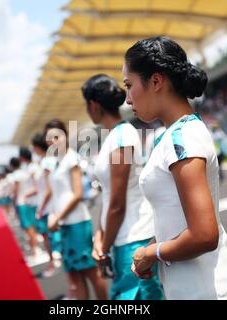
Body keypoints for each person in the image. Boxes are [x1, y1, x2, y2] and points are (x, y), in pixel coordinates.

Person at [123, 36, 227, 300]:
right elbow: (175, 221)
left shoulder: (181, 138)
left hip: (215, 292)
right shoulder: (172, 136)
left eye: (129, 85)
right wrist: (151, 251)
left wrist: (150, 253)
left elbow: (205, 234)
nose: (127, 99)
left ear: (156, 82)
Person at [82, 74, 163, 300]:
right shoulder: (113, 137)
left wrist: (103, 246)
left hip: (134, 237)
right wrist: (100, 237)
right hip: (121, 237)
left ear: (94, 105)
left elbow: (117, 203)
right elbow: (108, 195)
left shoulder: (122, 138)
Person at [45, 119, 108, 300]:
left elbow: (78, 194)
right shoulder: (55, 162)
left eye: (56, 136)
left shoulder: (72, 158)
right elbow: (56, 195)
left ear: (65, 136)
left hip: (77, 222)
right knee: (75, 275)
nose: (52, 141)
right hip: (64, 224)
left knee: (90, 272)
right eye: (49, 138)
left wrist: (58, 218)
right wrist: (53, 216)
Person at [31, 132, 60, 277]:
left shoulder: (47, 162)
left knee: (49, 237)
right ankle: (53, 262)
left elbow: (49, 189)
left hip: (48, 206)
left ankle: (53, 263)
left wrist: (41, 208)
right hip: (45, 205)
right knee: (48, 237)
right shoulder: (43, 162)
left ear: (37, 147)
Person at [10, 154, 39, 259]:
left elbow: (16, 191)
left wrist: (14, 200)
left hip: (22, 203)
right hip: (29, 201)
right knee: (32, 227)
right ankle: (34, 248)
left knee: (28, 228)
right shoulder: (24, 172)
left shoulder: (15, 175)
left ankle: (34, 251)